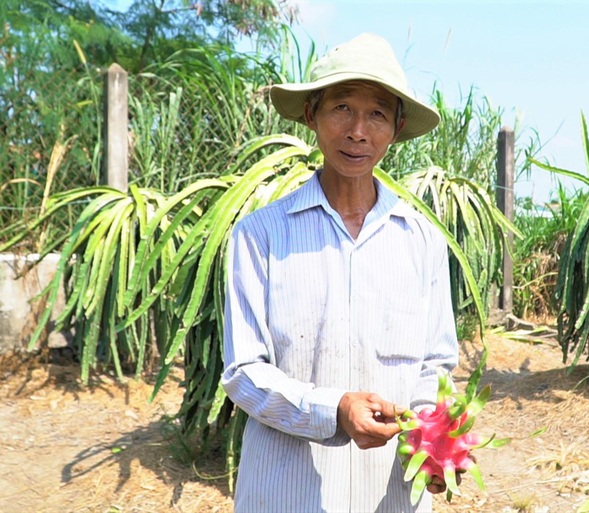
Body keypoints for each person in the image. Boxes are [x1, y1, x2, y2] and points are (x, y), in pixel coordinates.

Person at [222, 32, 459, 513]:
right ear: (311, 114)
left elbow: (436, 366)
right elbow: (243, 371)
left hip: (390, 494)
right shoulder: (259, 236)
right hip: (286, 495)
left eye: (376, 113)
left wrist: (435, 443)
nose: (357, 131)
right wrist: (333, 410)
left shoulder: (422, 242)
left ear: (395, 127)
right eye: (341, 108)